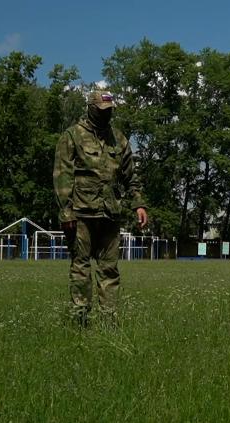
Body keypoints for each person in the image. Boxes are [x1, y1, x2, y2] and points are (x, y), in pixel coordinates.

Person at [53, 90, 147, 327]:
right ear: (90, 108)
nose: (107, 115)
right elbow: (62, 175)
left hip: (110, 213)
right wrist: (66, 211)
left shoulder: (119, 139)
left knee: (109, 269)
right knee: (81, 267)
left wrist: (139, 204)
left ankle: (108, 322)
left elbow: (130, 175)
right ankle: (80, 319)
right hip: (81, 213)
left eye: (110, 110)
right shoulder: (72, 136)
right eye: (102, 110)